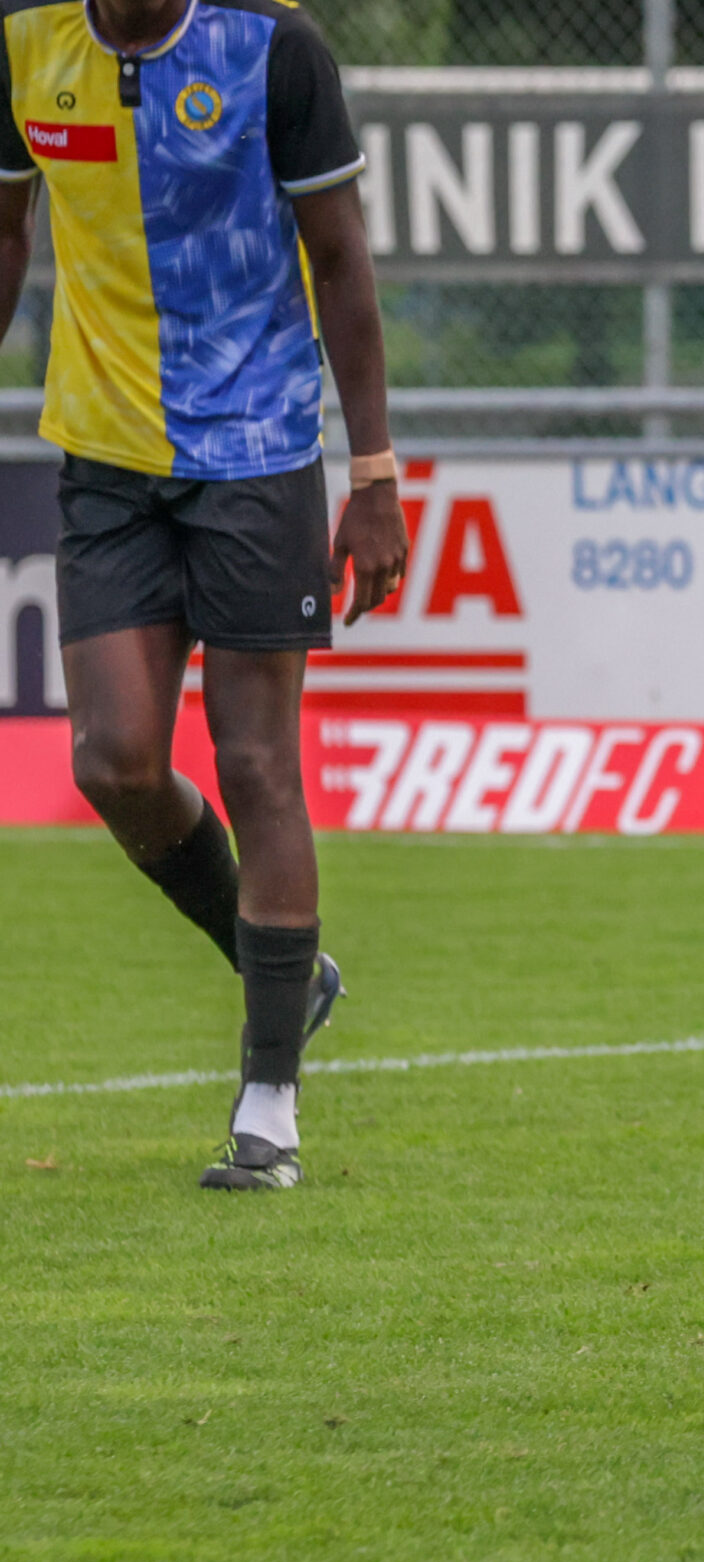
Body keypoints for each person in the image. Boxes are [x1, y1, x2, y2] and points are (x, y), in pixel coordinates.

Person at [0, 0, 408, 1188]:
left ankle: (269, 1104)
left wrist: (373, 472)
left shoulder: (274, 49)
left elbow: (341, 258)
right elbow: (6, 234)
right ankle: (284, 970)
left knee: (256, 762)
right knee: (114, 761)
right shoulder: (26, 44)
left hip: (258, 452)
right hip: (105, 458)